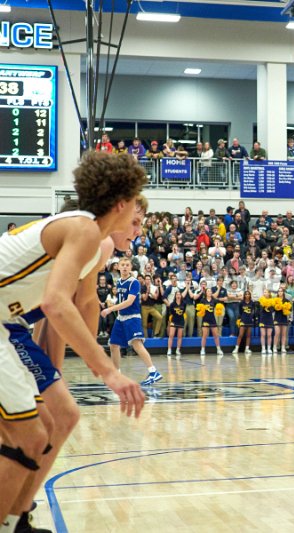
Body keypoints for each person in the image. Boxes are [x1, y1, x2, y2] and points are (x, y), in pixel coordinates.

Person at [0, 152, 146, 528]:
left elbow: (75, 304)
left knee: (37, 432)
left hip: (6, 322)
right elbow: (56, 303)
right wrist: (108, 372)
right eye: (135, 203)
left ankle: (14, 521)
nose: (137, 216)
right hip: (6, 324)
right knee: (30, 435)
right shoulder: (85, 230)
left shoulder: (87, 234)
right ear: (121, 203)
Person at [101, 257, 163, 385]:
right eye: (122, 265)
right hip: (121, 318)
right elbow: (121, 300)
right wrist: (112, 304)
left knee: (137, 344)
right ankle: (117, 375)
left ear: (130, 267)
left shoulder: (134, 282)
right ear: (118, 267)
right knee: (113, 345)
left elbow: (129, 302)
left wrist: (110, 309)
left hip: (132, 317)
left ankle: (153, 372)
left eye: (127, 265)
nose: (124, 267)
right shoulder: (119, 282)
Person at [197, 287, 224, 356]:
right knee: (204, 335)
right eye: (208, 291)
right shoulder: (203, 300)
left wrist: (218, 311)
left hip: (212, 319)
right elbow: (199, 310)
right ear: (206, 293)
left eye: (210, 291)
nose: (209, 292)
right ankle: (202, 349)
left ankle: (218, 349)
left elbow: (218, 308)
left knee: (216, 335)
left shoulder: (214, 300)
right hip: (205, 319)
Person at [233, 290, 255, 355]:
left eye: (248, 294)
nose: (247, 295)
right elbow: (240, 312)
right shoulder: (241, 303)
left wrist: (252, 318)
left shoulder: (252, 303)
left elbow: (253, 311)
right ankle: (236, 348)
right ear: (244, 295)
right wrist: (241, 318)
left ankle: (247, 349)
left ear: (250, 295)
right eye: (246, 294)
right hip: (243, 320)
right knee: (240, 335)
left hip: (249, 320)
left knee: (248, 335)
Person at [166, 289, 186, 357]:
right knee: (171, 335)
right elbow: (171, 312)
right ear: (175, 296)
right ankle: (169, 349)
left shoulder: (184, 303)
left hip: (181, 320)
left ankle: (178, 350)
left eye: (179, 294)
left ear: (181, 296)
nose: (178, 296)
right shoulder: (172, 304)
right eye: (177, 294)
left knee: (179, 336)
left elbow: (184, 311)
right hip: (174, 320)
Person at [258, 290, 275, 355]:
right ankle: (263, 348)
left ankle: (269, 348)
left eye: (266, 292)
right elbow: (259, 311)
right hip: (262, 319)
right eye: (264, 292)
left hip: (269, 318)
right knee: (263, 334)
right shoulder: (261, 300)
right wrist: (263, 305)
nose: (264, 293)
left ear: (269, 293)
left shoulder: (272, 301)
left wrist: (269, 305)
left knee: (269, 334)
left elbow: (272, 310)